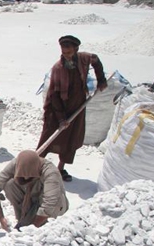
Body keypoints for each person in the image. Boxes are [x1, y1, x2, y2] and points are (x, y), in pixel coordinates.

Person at [37, 35, 107, 182]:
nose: (66, 55)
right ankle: (35, 167)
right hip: (57, 108)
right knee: (48, 136)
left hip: (77, 104)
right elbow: (55, 95)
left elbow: (95, 60)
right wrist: (61, 118)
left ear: (76, 49)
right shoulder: (58, 68)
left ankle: (60, 169)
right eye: (63, 52)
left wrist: (101, 80)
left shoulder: (83, 59)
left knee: (71, 138)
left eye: (69, 52)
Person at [0, 150, 69, 231]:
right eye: (23, 176)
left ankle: (41, 222)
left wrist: (31, 230)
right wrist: (1, 219)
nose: (26, 178)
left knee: (53, 201)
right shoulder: (16, 164)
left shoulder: (50, 172)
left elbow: (50, 203)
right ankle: (24, 217)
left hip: (54, 204)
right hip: (31, 197)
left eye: (29, 177)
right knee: (9, 184)